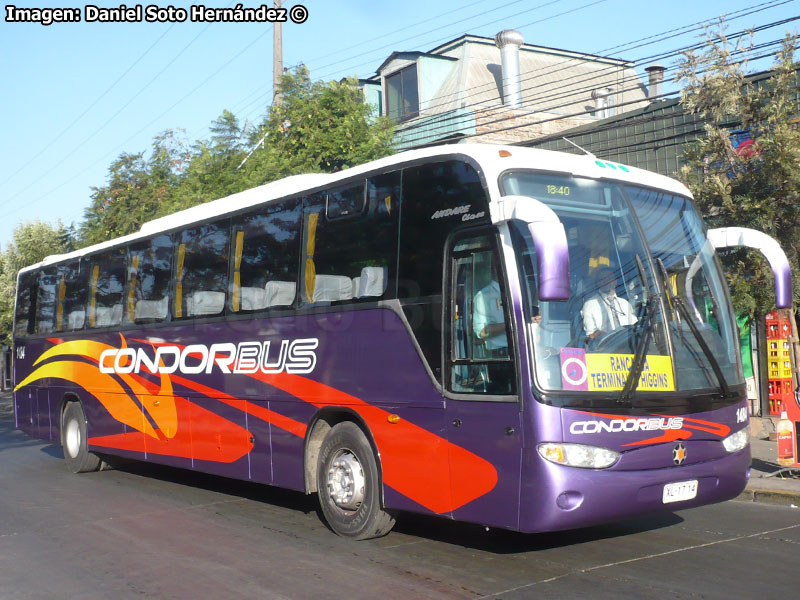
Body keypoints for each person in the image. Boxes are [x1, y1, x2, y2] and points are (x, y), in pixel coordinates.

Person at [581, 267, 637, 341]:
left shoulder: (625, 303)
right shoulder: (589, 304)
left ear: (615, 281)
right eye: (602, 279)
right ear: (598, 283)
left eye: (609, 278)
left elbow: (635, 327)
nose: (606, 281)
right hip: (605, 349)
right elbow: (590, 333)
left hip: (629, 347)